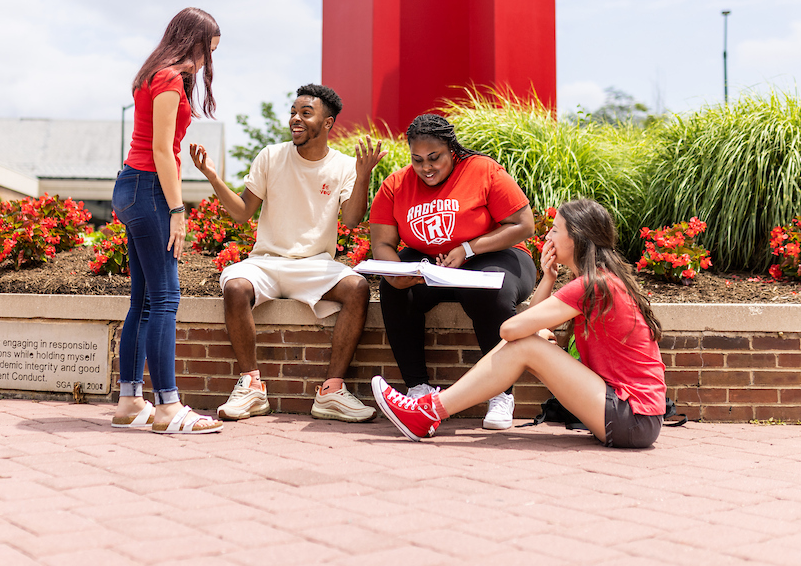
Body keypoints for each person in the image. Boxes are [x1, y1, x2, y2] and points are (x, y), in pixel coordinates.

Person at [372, 197, 668, 449]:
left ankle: (429, 411)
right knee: (527, 342)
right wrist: (549, 277)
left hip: (633, 417)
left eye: (554, 230)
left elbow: (510, 329)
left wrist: (533, 334)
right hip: (631, 417)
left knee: (525, 343)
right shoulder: (597, 281)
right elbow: (524, 326)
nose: (548, 238)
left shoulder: (593, 285)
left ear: (575, 237)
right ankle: (429, 411)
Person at [189, 84, 384, 423]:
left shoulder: (344, 166)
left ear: (327, 123)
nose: (295, 119)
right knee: (235, 287)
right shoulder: (270, 156)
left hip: (314, 266)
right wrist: (213, 178)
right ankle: (251, 387)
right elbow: (242, 213)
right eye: (293, 112)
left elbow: (352, 220)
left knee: (358, 289)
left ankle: (332, 392)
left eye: (305, 113)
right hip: (265, 263)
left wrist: (364, 175)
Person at [369, 114, 537, 430]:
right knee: (394, 288)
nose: (426, 167)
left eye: (434, 158)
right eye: (417, 160)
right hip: (432, 264)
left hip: (495, 255)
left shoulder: (482, 170)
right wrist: (395, 273)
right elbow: (382, 243)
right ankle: (418, 388)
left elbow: (523, 225)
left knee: (490, 291)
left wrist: (469, 249)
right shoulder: (396, 184)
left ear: (451, 149)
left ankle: (501, 392)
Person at [109, 7, 223, 435]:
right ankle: (168, 407)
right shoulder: (171, 77)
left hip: (131, 186)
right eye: (208, 51)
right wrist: (178, 210)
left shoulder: (152, 73)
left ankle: (129, 401)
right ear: (193, 42)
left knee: (143, 299)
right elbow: (161, 150)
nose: (208, 63)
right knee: (166, 298)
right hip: (149, 189)